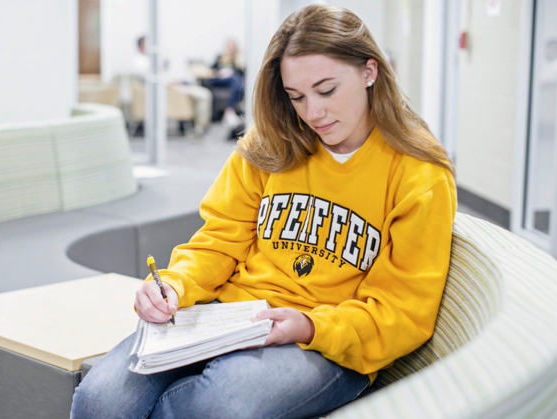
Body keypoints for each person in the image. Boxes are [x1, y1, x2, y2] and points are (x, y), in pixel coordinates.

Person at [71, 4, 456, 419]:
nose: (313, 114)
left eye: (326, 91)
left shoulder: (419, 173)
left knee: (221, 406)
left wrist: (311, 327)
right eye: (296, 97)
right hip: (227, 315)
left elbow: (401, 311)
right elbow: (219, 241)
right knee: (100, 400)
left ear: (369, 71)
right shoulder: (271, 143)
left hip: (325, 340)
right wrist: (176, 287)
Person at [132, 36, 213, 136]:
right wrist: (179, 87)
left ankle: (200, 126)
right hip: (171, 89)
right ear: (141, 45)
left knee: (204, 93)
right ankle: (200, 128)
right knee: (204, 95)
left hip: (174, 85)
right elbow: (156, 82)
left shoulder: (148, 60)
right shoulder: (140, 62)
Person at [208, 39, 246, 128]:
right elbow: (212, 69)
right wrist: (221, 72)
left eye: (232, 46)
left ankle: (229, 112)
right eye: (229, 46)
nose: (230, 48)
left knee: (234, 80)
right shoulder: (220, 57)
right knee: (236, 80)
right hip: (220, 80)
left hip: (232, 81)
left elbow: (242, 73)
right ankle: (230, 111)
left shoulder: (238, 59)